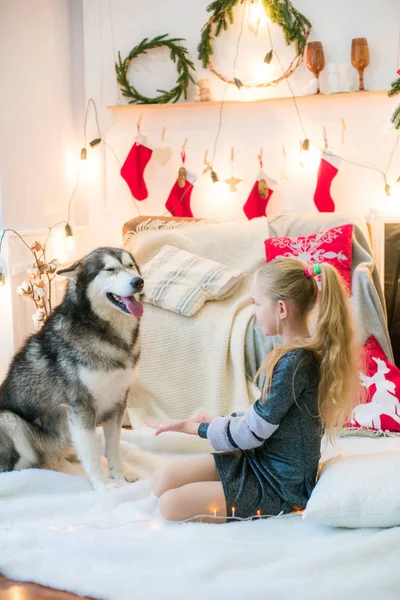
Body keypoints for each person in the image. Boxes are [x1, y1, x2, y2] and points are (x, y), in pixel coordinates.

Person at [146, 257, 360, 523]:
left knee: (169, 505)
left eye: (257, 303)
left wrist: (192, 428)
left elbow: (250, 434)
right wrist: (212, 421)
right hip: (260, 459)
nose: (253, 310)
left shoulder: (295, 362)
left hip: (281, 485)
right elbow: (264, 417)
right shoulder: (294, 354)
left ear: (281, 308)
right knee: (161, 481)